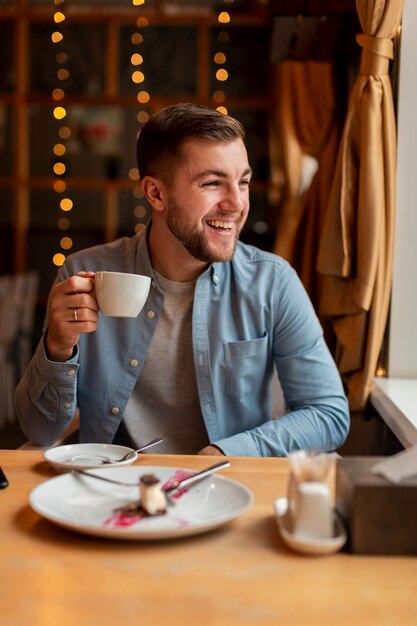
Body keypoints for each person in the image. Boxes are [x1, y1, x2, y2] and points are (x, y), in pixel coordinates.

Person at [14, 103, 350, 456]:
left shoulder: (272, 281)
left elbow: (328, 414)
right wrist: (58, 347)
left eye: (244, 182)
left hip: (225, 487)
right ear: (156, 193)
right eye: (212, 183)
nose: (237, 203)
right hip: (113, 488)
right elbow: (38, 428)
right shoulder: (84, 274)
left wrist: (229, 451)